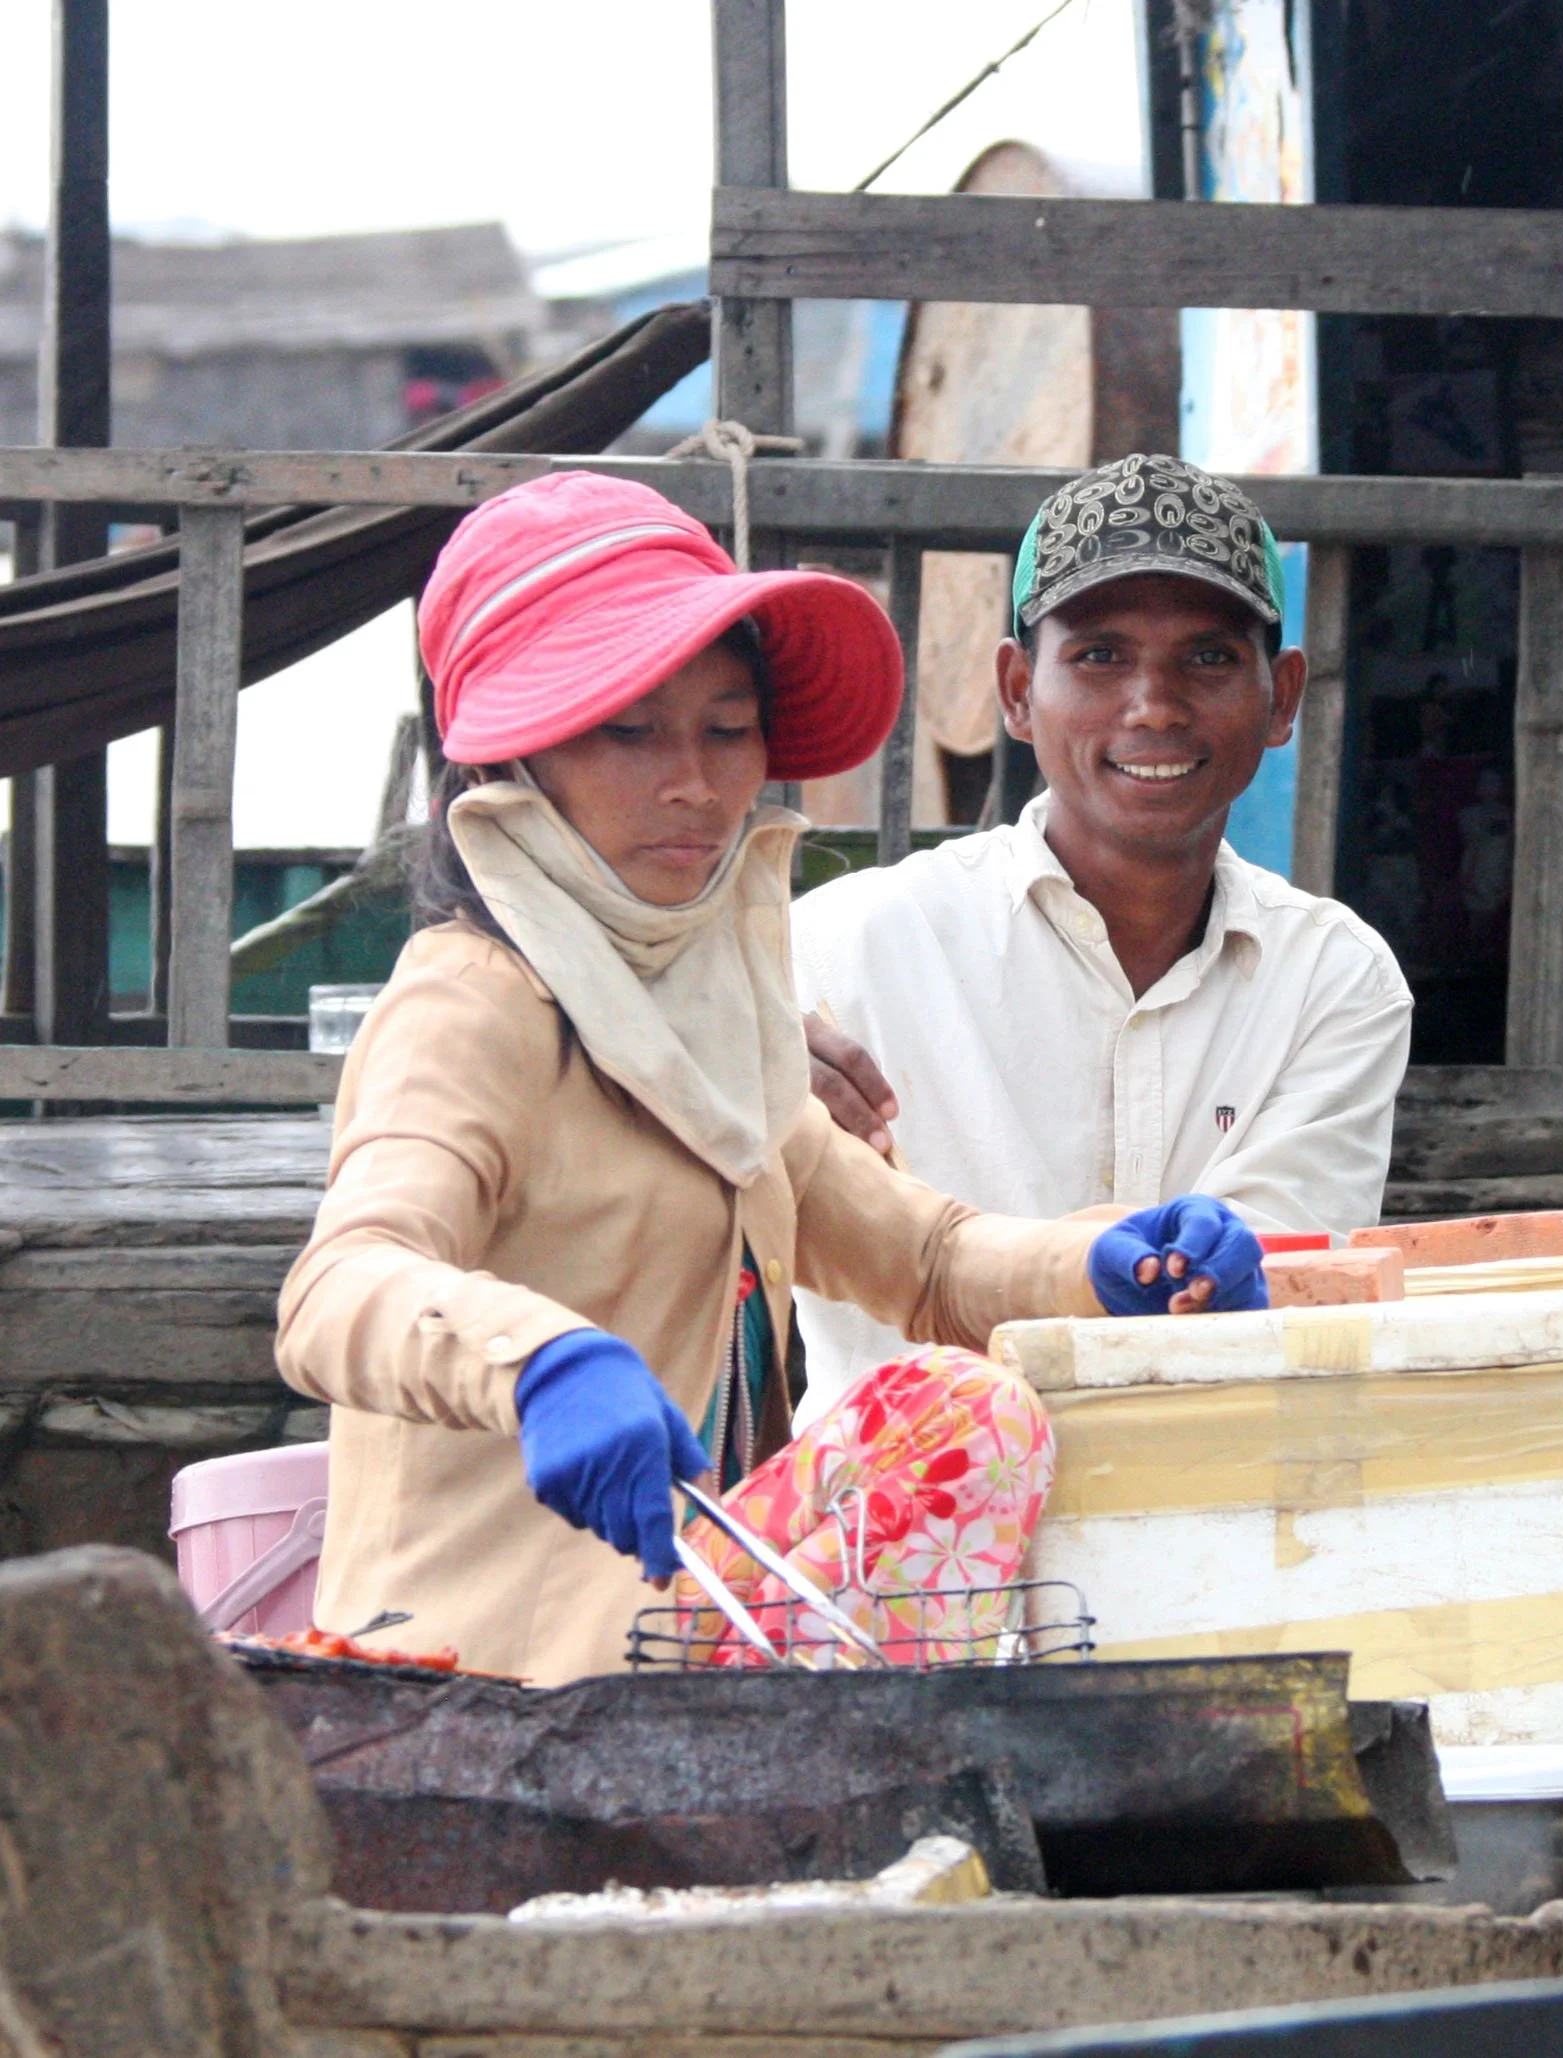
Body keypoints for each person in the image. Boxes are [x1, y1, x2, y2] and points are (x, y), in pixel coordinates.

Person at [275, 470, 1267, 1687]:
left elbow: (928, 1262)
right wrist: (541, 1365)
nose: (693, 784)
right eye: (629, 731)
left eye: (727, 728)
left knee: (965, 1404)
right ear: (517, 760)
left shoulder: (708, 1012)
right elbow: (338, 1287)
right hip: (487, 1683)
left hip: (675, 1641)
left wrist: (1117, 1262)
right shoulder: (474, 1001)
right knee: (969, 1415)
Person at [795, 454, 1412, 1425]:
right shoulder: (839, 951)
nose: (1154, 704)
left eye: (1209, 658)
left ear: (1283, 696)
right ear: (1015, 690)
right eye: (1099, 656)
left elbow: (1275, 1287)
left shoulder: (1336, 979)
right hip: (903, 1507)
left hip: (1218, 1493)